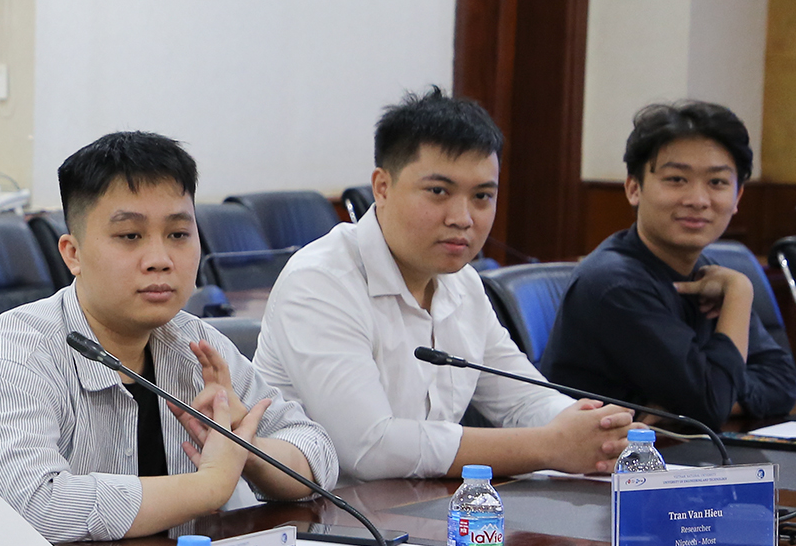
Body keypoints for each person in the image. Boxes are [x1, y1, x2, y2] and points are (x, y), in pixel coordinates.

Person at [0, 132, 334, 543]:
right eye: (130, 236)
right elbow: (35, 507)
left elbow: (316, 451)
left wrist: (246, 447)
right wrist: (208, 486)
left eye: (178, 235)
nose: (160, 260)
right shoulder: (8, 362)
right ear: (73, 254)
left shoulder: (195, 345)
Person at [254, 89, 631, 481]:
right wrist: (549, 446)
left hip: (425, 505)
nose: (462, 218)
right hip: (320, 512)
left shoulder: (463, 283)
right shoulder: (320, 282)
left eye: (482, 196)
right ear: (382, 187)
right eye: (438, 192)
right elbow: (370, 450)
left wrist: (593, 431)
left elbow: (524, 399)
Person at [543, 102, 796, 428]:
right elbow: (711, 402)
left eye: (717, 182)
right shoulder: (615, 282)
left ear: (737, 198)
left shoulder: (706, 270)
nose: (698, 200)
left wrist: (683, 406)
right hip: (606, 459)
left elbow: (782, 382)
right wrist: (739, 292)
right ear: (634, 189)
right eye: (677, 179)